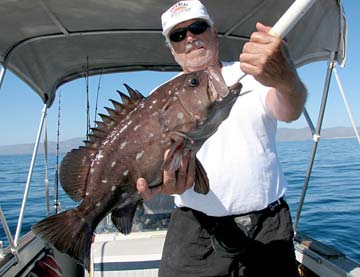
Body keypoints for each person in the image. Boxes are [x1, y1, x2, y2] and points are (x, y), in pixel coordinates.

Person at [136, 1, 307, 276]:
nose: (189, 38)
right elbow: (153, 162)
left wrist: (287, 79)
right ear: (172, 48)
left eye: (197, 27)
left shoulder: (252, 73)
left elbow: (290, 109)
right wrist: (159, 183)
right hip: (195, 230)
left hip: (268, 226)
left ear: (214, 33)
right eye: (178, 36)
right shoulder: (157, 99)